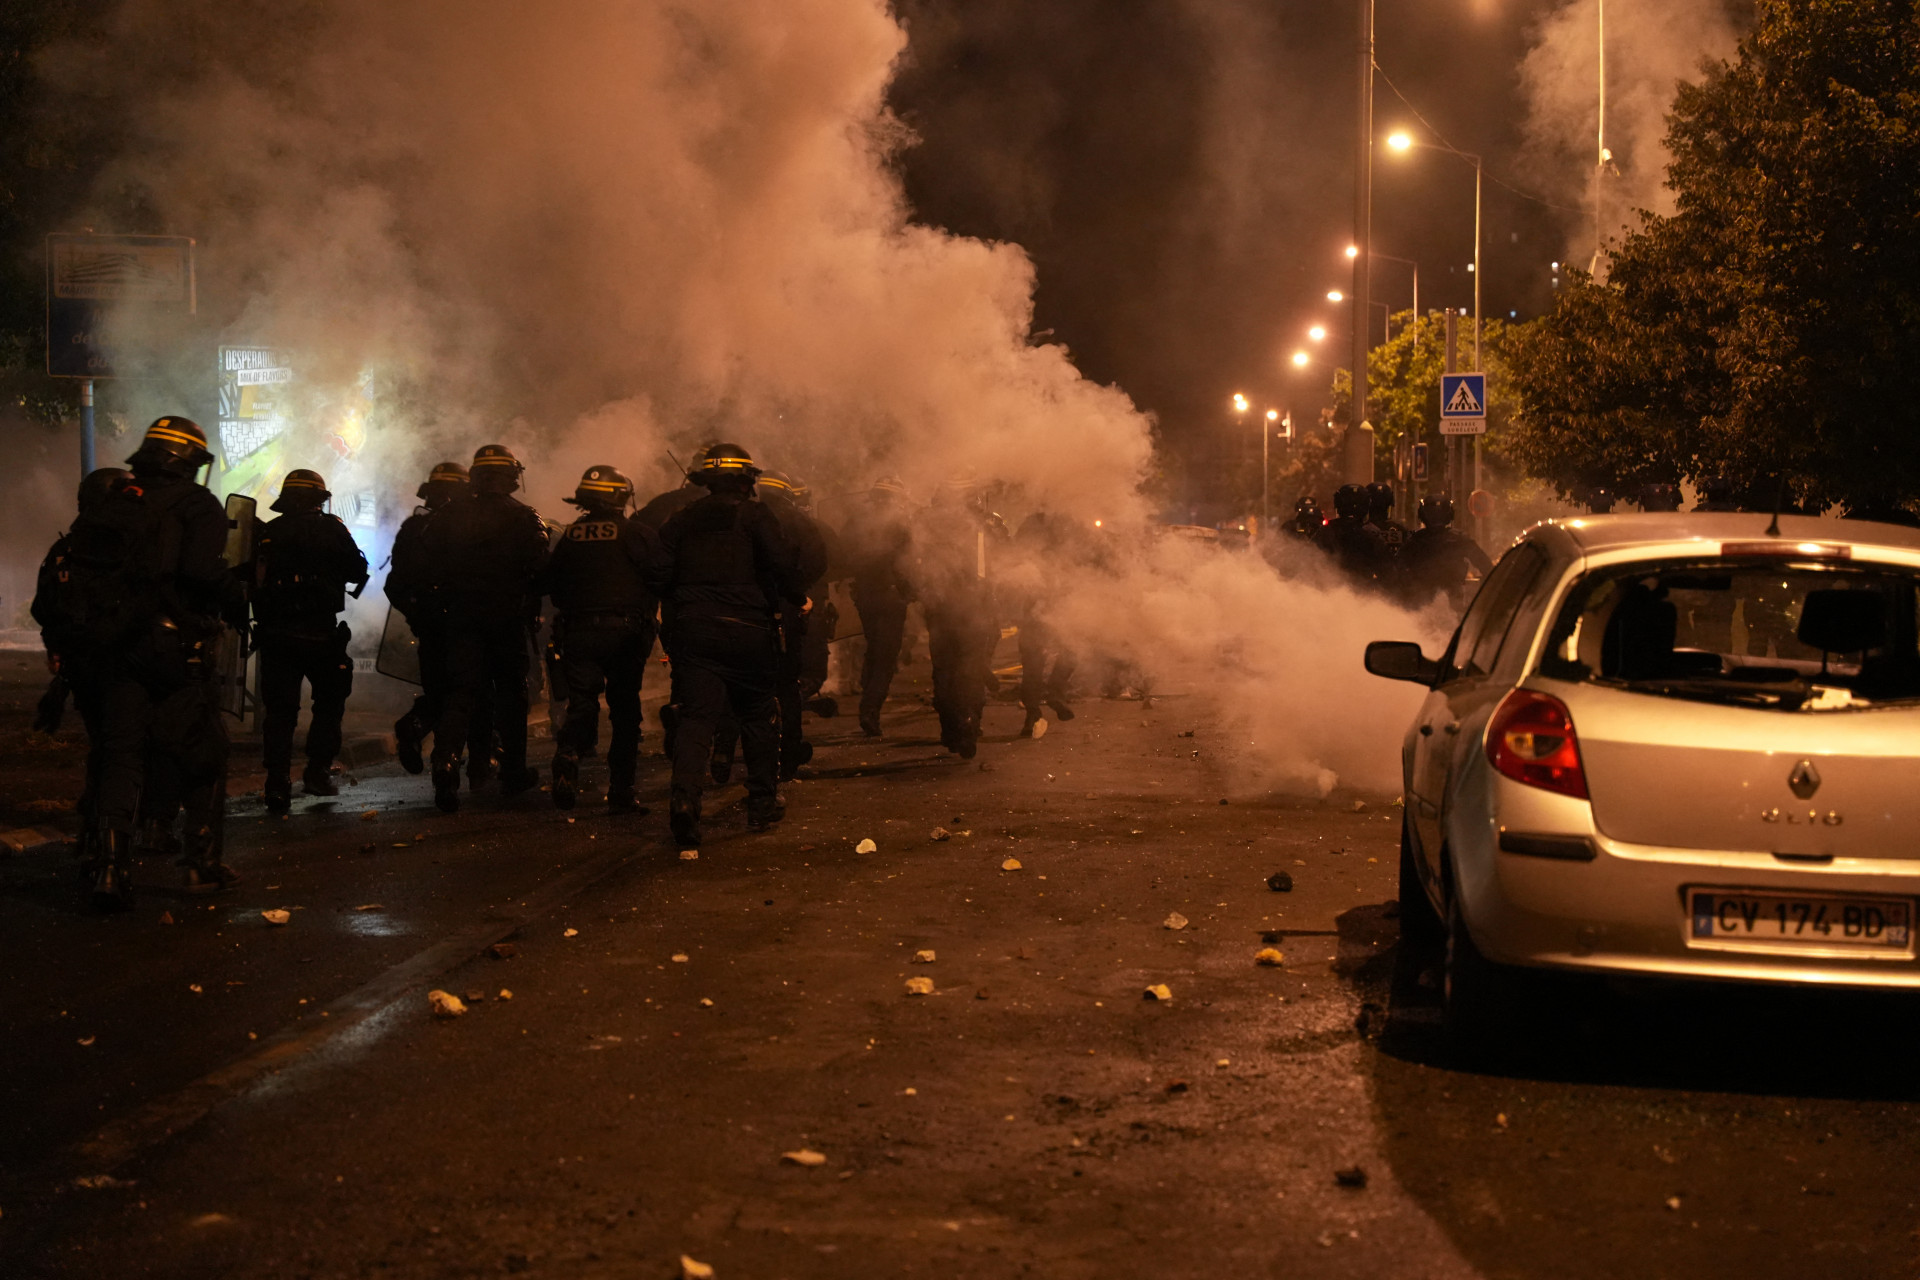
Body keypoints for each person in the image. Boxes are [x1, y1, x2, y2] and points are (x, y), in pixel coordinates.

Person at [49, 418, 239, 906]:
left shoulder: (116, 500)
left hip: (113, 647)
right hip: (171, 649)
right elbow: (200, 575)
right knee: (205, 749)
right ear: (187, 463)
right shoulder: (197, 505)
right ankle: (201, 863)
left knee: (122, 751)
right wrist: (234, 587)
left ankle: (110, 869)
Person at [645, 442, 806, 848]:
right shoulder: (756, 516)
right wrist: (797, 597)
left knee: (697, 720)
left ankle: (684, 803)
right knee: (756, 715)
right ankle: (762, 803)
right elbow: (783, 564)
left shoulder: (682, 521)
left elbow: (657, 572)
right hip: (748, 630)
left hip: (695, 632)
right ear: (747, 480)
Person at [416, 444, 550, 813]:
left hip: (459, 618)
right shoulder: (525, 517)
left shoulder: (447, 516)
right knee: (511, 694)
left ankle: (444, 763)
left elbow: (426, 560)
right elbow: (542, 569)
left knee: (461, 693)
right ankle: (513, 772)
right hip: (506, 620)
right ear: (511, 478)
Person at [542, 464, 659, 814]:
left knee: (583, 703)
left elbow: (550, 584)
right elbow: (660, 575)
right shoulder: (636, 534)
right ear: (621, 497)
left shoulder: (571, 536)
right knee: (624, 710)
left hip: (578, 633)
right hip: (624, 633)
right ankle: (622, 791)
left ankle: (567, 752)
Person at [252, 469, 369, 814]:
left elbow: (249, 579)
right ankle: (317, 772)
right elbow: (356, 571)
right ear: (320, 499)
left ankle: (276, 783)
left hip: (277, 635)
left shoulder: (267, 533)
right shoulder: (333, 528)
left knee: (279, 712)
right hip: (321, 634)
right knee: (329, 704)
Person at [388, 461, 474, 776]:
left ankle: (414, 725)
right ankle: (447, 761)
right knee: (461, 694)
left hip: (430, 630)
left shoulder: (412, 529)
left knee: (439, 691)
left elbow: (394, 586)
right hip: (464, 628)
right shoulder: (468, 528)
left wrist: (419, 618)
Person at [913, 475, 1007, 758]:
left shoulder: (923, 522)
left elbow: (908, 562)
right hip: (975, 608)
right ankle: (967, 728)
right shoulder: (988, 523)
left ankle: (950, 730)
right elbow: (1007, 558)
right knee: (970, 671)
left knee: (944, 669)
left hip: (940, 610)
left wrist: (918, 595)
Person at [840, 476, 914, 737]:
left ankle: (866, 687)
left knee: (875, 645)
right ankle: (870, 710)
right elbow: (908, 562)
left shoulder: (856, 521)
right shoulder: (900, 523)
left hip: (864, 594)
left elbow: (844, 553)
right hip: (890, 595)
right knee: (886, 654)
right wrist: (912, 591)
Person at [1009, 511, 1077, 737]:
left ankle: (1035, 711)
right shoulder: (1065, 522)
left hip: (1049, 600)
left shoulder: (1036, 524)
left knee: (1036, 661)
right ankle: (1050, 696)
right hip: (1049, 599)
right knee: (1058, 652)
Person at [1403, 495, 1492, 610]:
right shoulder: (1460, 539)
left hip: (1420, 603)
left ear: (1422, 515)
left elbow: (1396, 569)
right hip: (1452, 599)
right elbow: (1486, 566)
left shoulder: (1413, 540)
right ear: (1449, 515)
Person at [1313, 484, 1388, 585]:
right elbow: (1388, 573)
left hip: (1327, 591)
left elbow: (1310, 561)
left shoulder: (1325, 531)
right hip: (1363, 594)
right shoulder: (1372, 534)